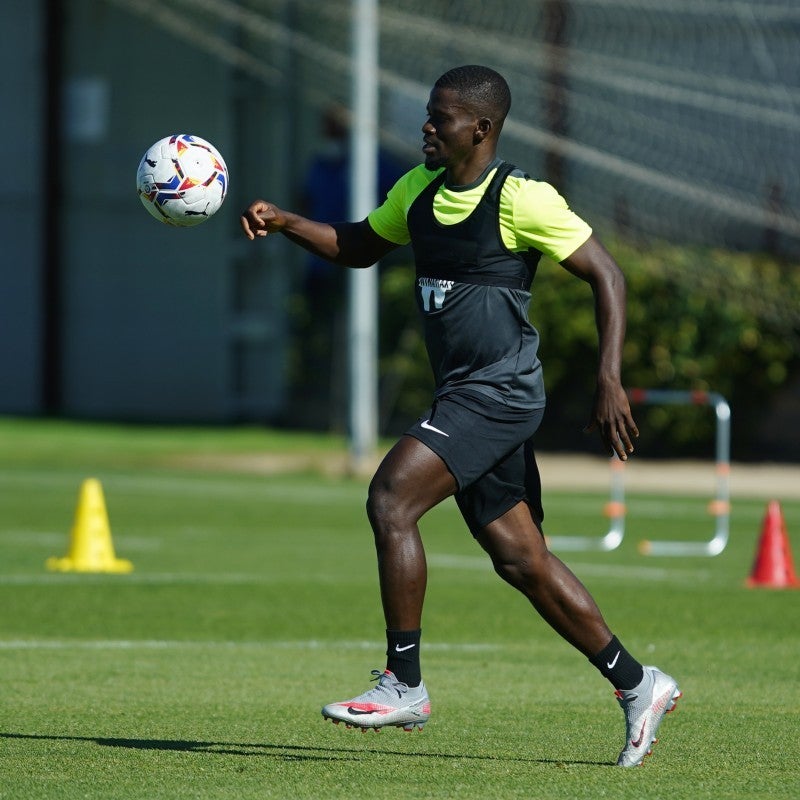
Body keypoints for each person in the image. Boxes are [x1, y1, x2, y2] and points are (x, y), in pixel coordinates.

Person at [241, 65, 681, 767]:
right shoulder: (417, 192)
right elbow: (357, 247)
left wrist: (609, 376)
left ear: (480, 129)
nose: (426, 127)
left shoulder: (521, 199)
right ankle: (639, 683)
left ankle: (404, 684)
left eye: (440, 118)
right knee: (521, 560)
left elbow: (608, 273)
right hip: (463, 394)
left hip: (498, 394)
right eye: (426, 114)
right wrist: (288, 221)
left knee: (391, 500)